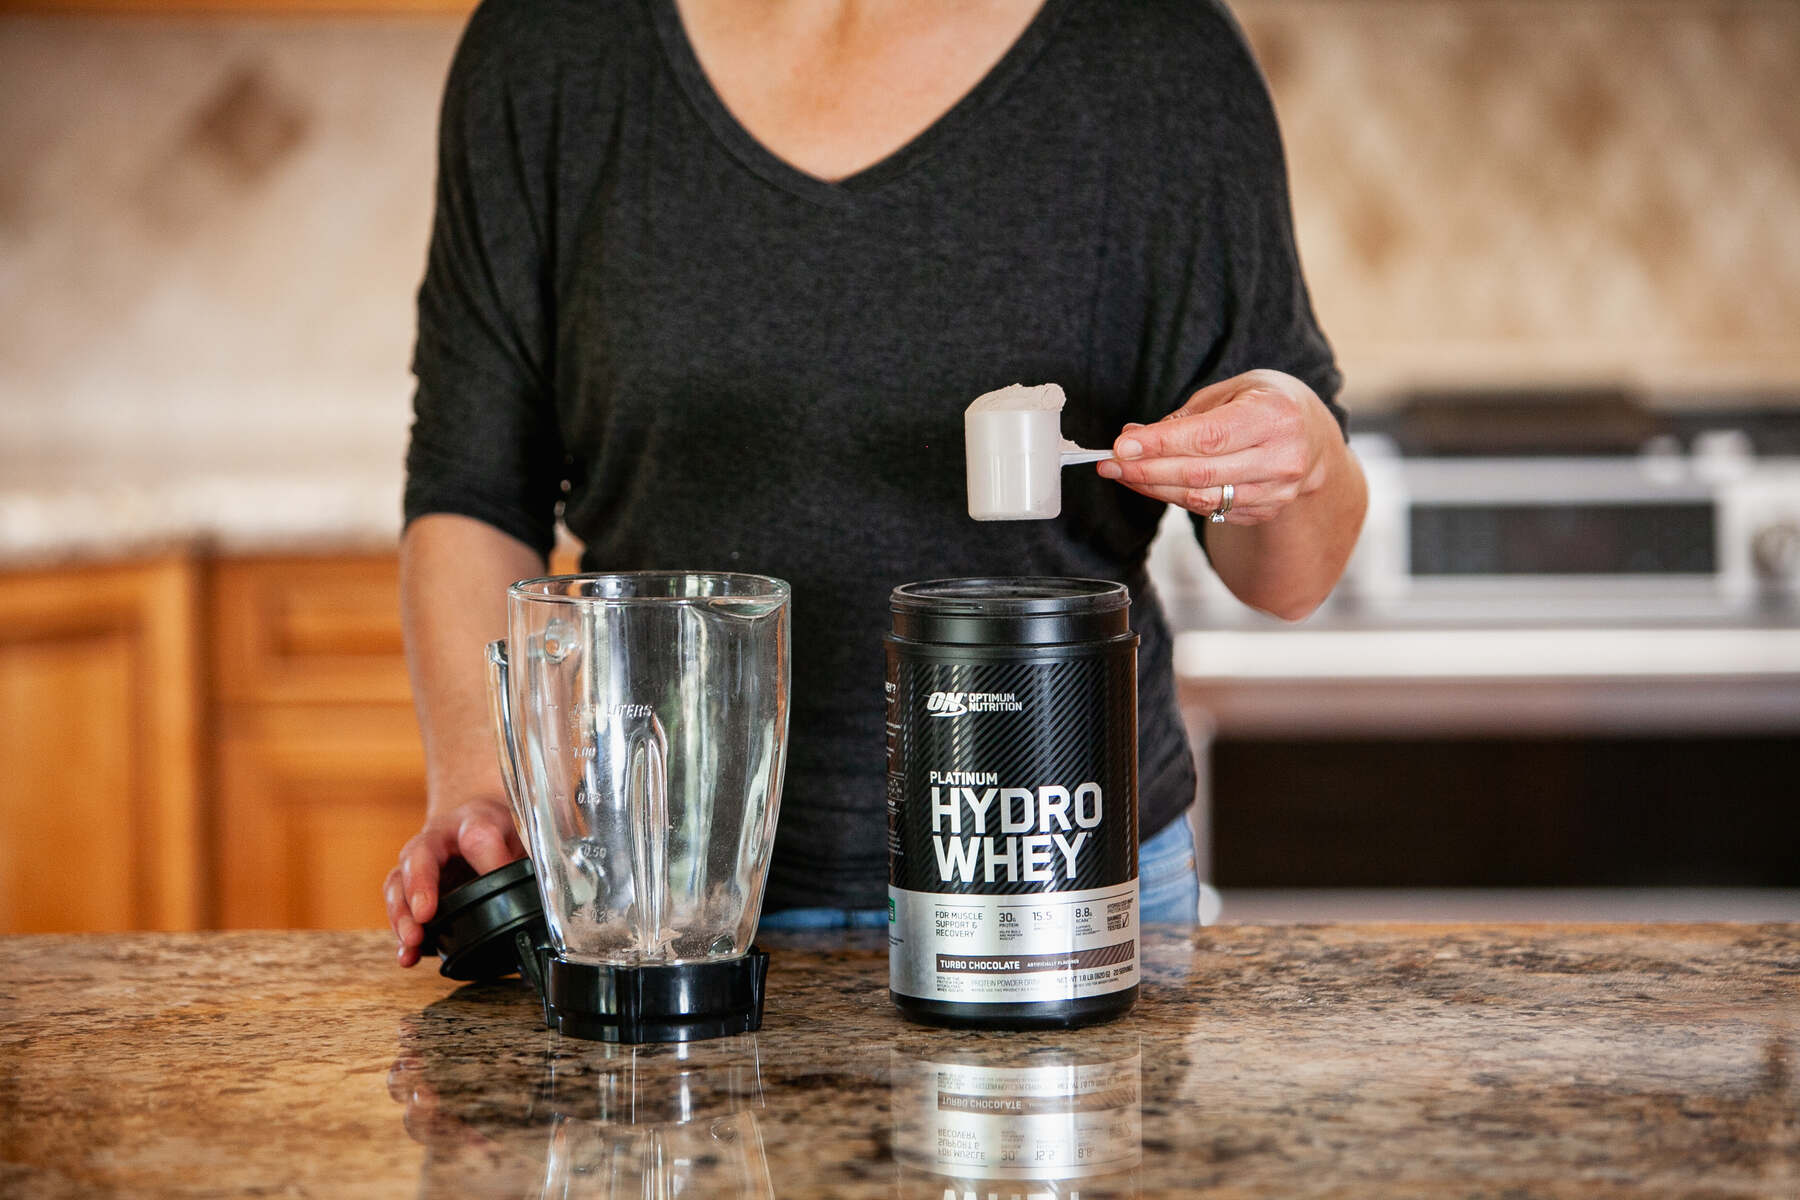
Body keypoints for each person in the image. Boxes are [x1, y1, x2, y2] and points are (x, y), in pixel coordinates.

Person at [384, 0, 1366, 966]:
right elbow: (472, 490)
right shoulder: (550, 42)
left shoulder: (1158, 50)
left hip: (1066, 885)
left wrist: (1297, 450)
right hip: (657, 902)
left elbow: (1287, 579)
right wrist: (481, 787)